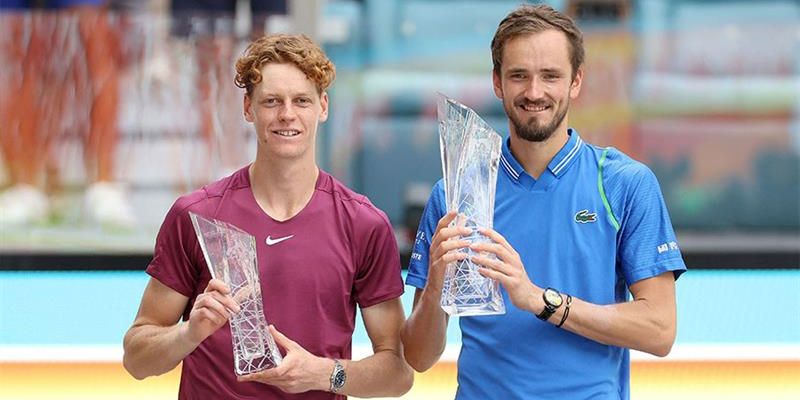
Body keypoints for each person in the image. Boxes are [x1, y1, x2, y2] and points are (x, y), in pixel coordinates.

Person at [401, 4, 686, 399]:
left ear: (575, 82)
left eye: (550, 76)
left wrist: (539, 300)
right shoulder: (457, 193)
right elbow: (418, 356)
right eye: (519, 76)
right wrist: (435, 288)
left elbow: (659, 330)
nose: (534, 92)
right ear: (497, 83)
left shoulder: (624, 183)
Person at [122, 34, 413, 399]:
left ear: (323, 107)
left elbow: (398, 373)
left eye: (301, 101)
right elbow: (136, 359)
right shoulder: (196, 214)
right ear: (248, 108)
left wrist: (324, 374)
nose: (287, 114)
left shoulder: (363, 224)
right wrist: (189, 333)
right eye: (272, 101)